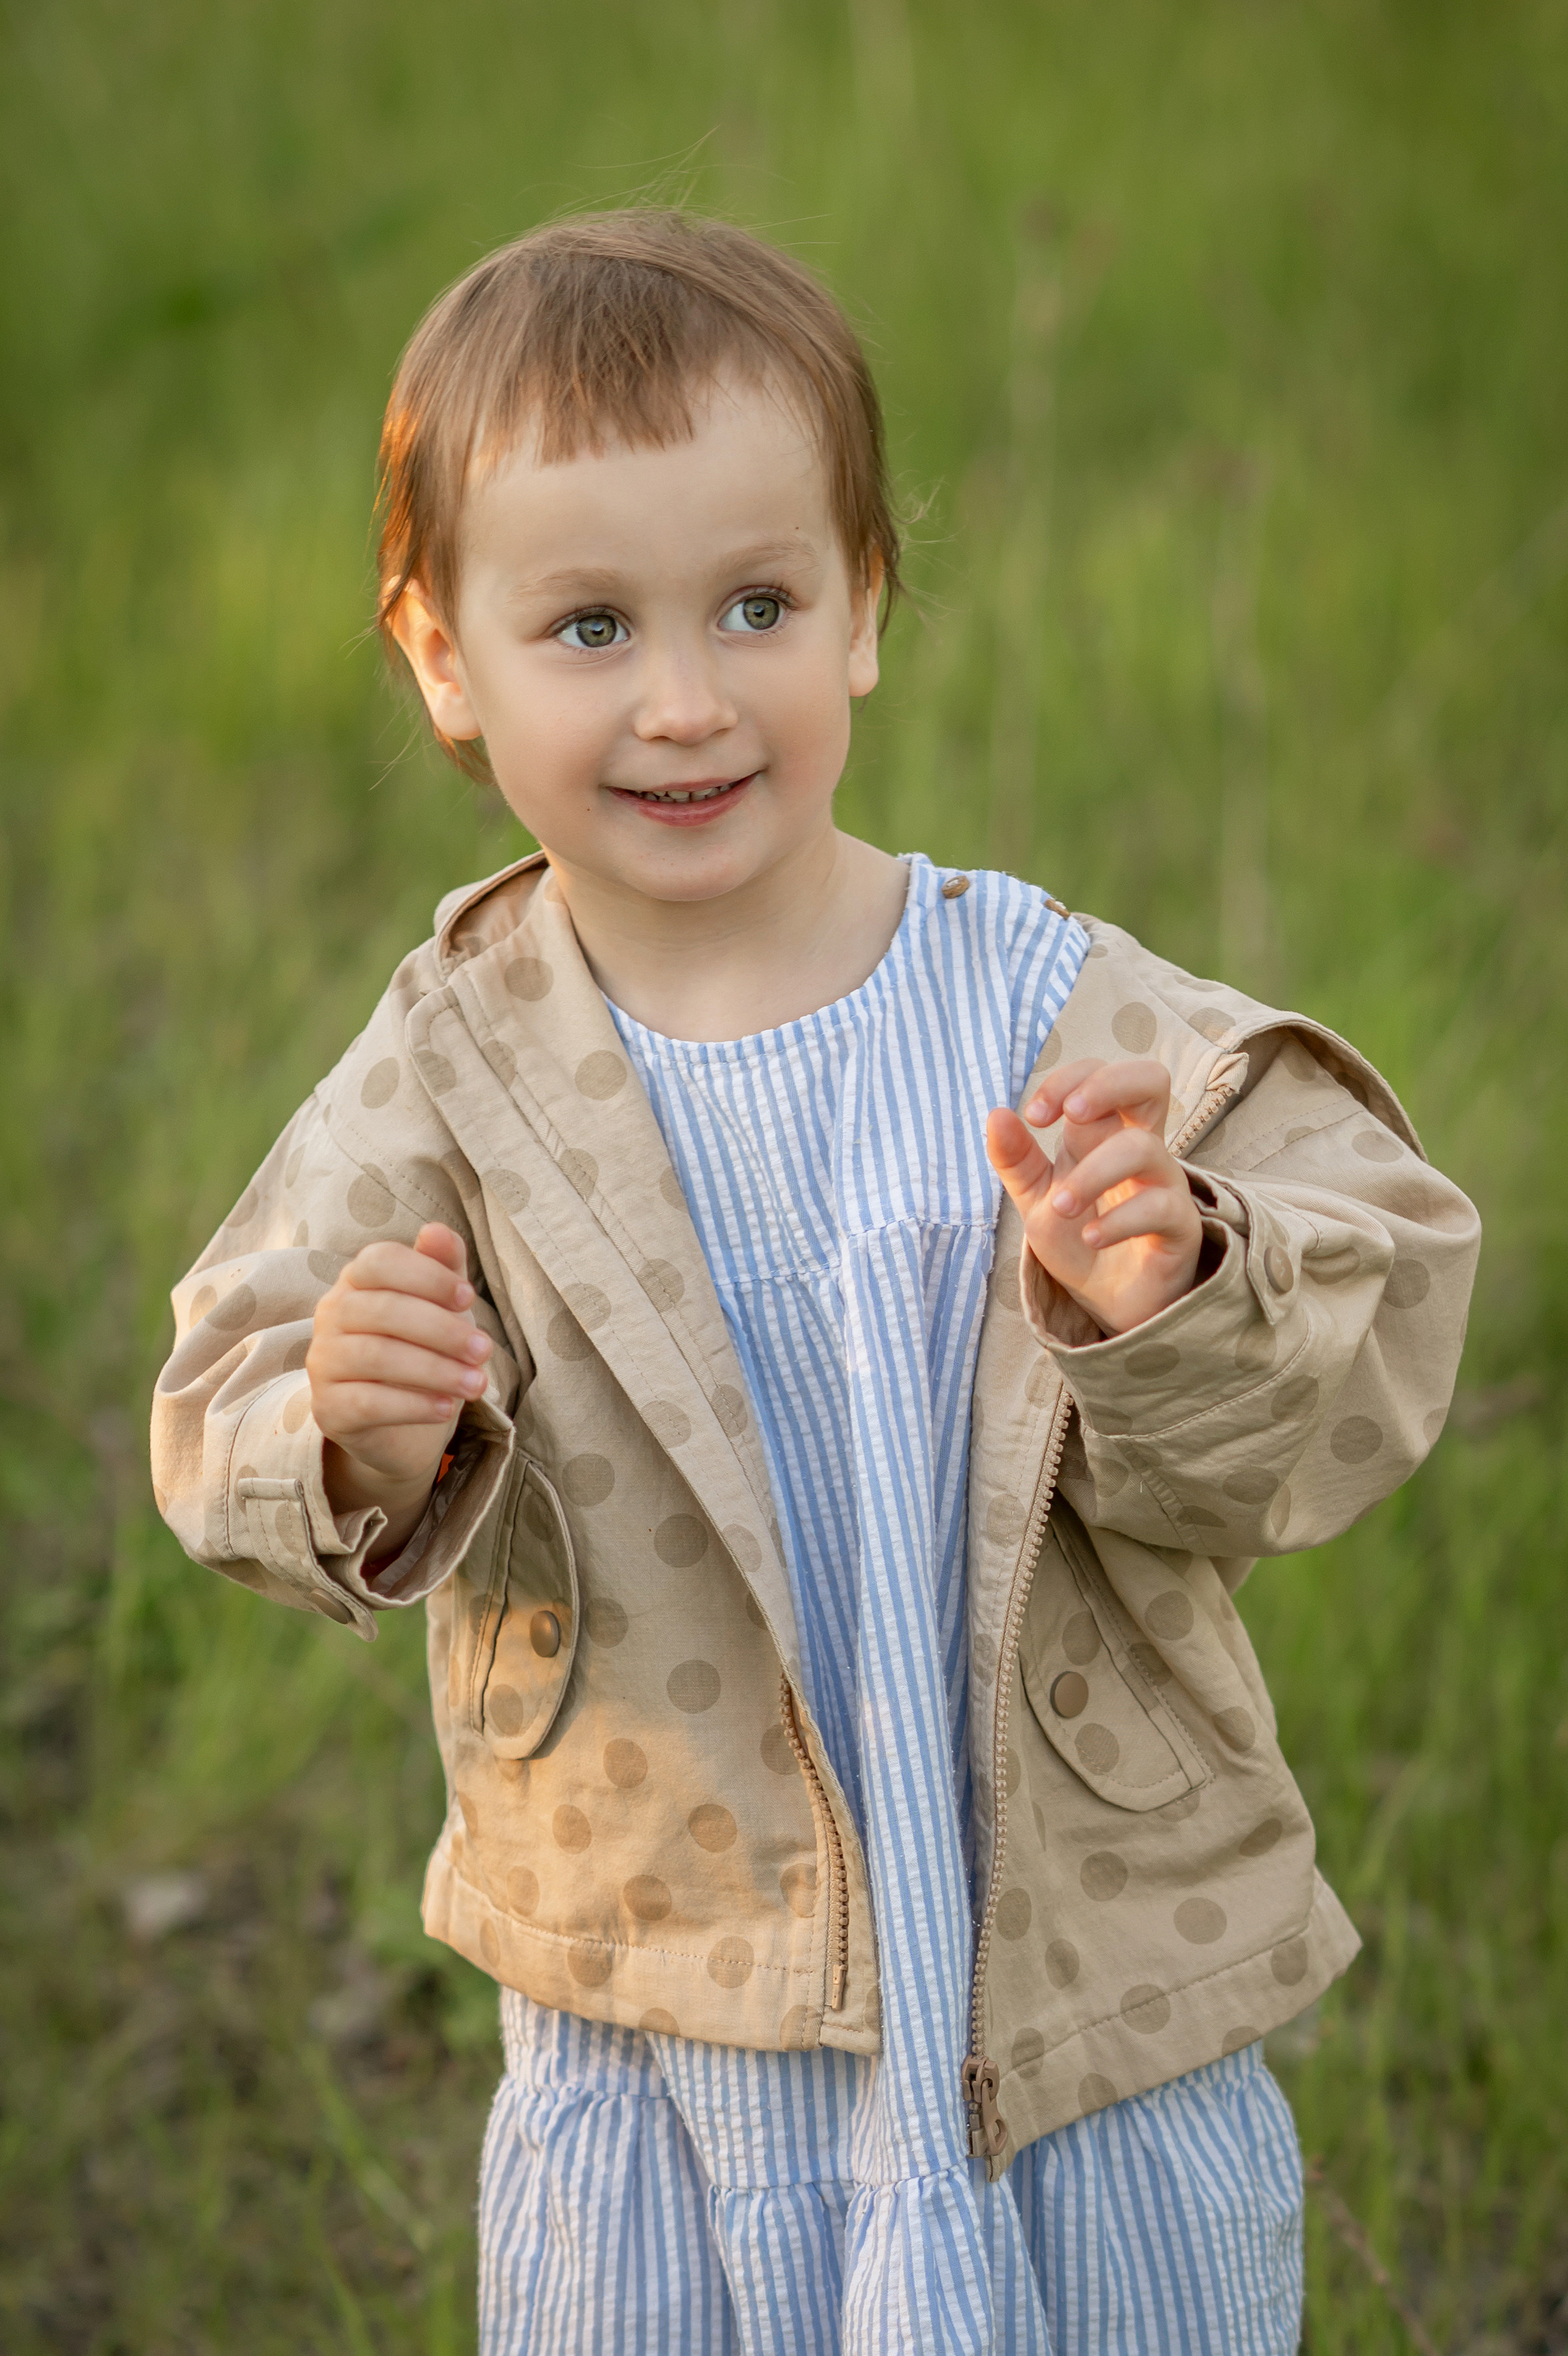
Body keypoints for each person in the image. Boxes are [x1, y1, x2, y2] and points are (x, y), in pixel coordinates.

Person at [151, 210, 1479, 2355]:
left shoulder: (1044, 1012)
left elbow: (1386, 1278)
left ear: (865, 605)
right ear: (442, 654)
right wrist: (355, 1434)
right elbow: (227, 1394)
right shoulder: (458, 1070)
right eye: (590, 624)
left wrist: (1173, 1282)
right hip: (678, 1994)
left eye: (756, 606)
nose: (686, 701)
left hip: (1063, 1994)